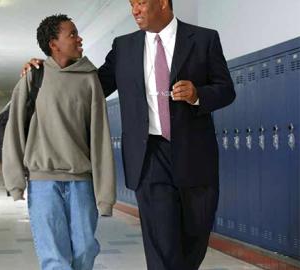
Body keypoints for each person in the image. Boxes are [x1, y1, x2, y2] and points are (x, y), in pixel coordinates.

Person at [22, 0, 236, 269]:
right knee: (161, 245)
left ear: (162, 4)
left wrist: (198, 95)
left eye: (141, 3)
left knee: (193, 240)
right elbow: (92, 87)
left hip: (195, 157)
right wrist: (48, 69)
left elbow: (226, 89)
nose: (134, 10)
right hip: (149, 156)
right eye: (132, 4)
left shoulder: (204, 39)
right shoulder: (124, 47)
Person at [3, 14, 116, 270]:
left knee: (86, 249)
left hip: (81, 182)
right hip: (43, 183)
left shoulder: (90, 79)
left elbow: (99, 137)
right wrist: (15, 182)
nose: (79, 38)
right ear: (54, 43)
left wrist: (105, 194)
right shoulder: (34, 77)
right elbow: (14, 132)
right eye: (72, 34)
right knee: (54, 257)